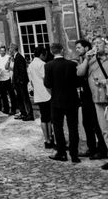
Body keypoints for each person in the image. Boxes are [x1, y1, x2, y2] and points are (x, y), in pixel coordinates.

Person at [44, 43, 80, 162]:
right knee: (73, 127)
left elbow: (47, 84)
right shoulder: (71, 64)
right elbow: (77, 82)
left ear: (51, 52)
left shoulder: (48, 65)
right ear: (63, 50)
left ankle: (62, 152)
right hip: (72, 99)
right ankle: (74, 155)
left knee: (58, 127)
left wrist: (53, 94)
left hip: (56, 100)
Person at [77, 36, 108, 170]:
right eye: (94, 43)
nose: (96, 45)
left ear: (105, 45)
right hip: (98, 99)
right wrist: (87, 59)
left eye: (99, 43)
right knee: (105, 130)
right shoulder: (90, 60)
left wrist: (105, 82)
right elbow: (79, 73)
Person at [27, 46, 54, 149]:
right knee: (49, 118)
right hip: (46, 93)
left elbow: (31, 81)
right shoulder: (42, 64)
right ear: (42, 54)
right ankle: (50, 137)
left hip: (38, 94)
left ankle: (46, 139)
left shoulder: (31, 65)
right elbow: (46, 79)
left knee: (44, 118)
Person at [9, 43, 34, 121]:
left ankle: (29, 115)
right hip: (18, 82)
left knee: (25, 98)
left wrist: (20, 81)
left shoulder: (19, 57)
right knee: (20, 98)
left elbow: (22, 71)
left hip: (21, 82)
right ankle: (23, 113)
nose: (9, 50)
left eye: (10, 48)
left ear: (13, 49)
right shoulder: (16, 57)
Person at [0, 46, 16, 115]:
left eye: (4, 51)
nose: (2, 52)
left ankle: (13, 109)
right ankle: (6, 109)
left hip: (8, 78)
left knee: (11, 94)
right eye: (1, 51)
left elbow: (9, 67)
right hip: (1, 78)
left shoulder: (8, 57)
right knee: (3, 95)